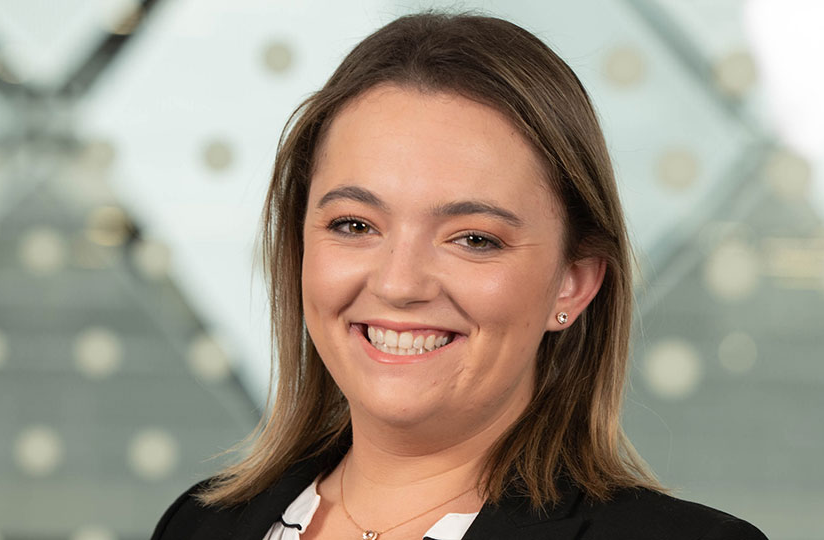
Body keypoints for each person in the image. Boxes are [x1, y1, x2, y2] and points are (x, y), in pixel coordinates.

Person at [152, 12, 767, 540]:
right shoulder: (201, 525)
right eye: (354, 225)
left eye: (473, 239)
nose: (398, 283)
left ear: (573, 283)